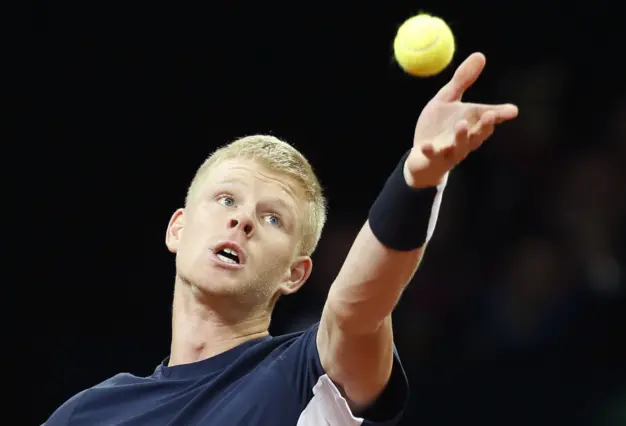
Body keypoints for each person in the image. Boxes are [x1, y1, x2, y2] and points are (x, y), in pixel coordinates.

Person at [44, 52, 518, 426]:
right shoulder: (87, 414)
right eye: (226, 200)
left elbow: (356, 310)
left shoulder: (307, 375)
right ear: (178, 228)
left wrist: (417, 179)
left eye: (272, 219)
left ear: (295, 273)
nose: (243, 220)